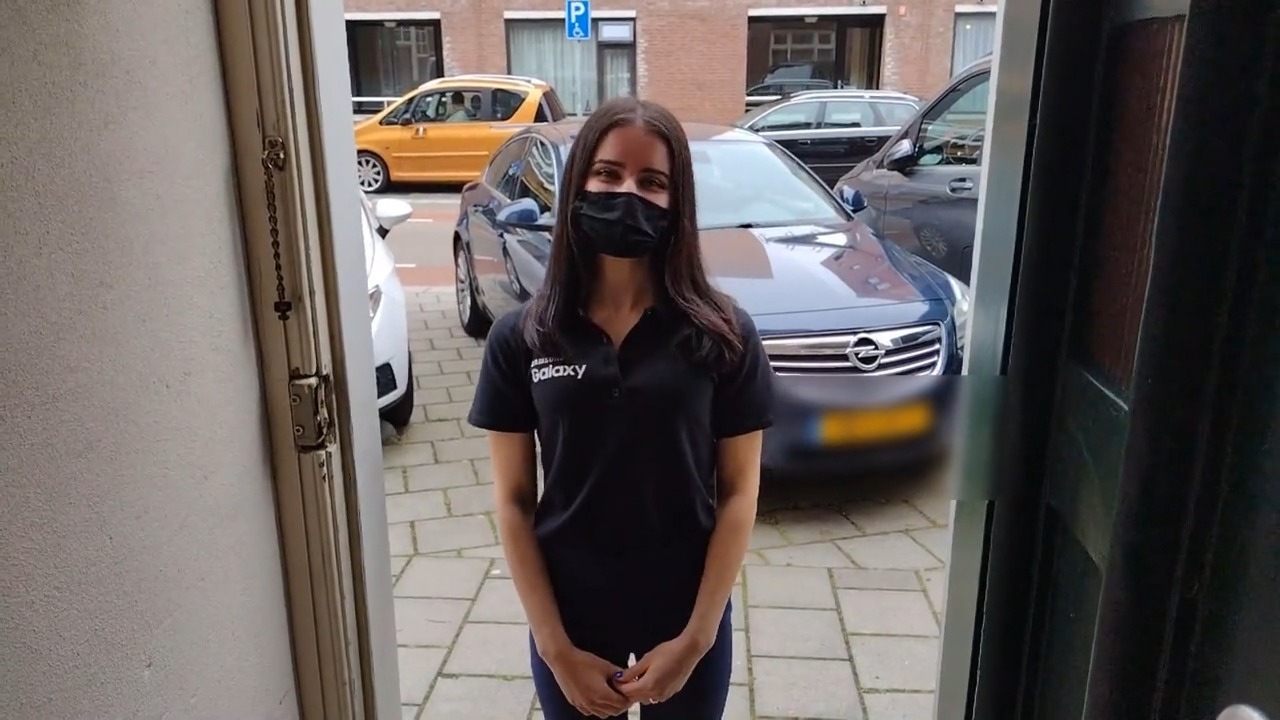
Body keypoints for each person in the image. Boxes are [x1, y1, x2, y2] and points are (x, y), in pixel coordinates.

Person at [468, 96, 773, 719]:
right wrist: (555, 649)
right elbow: (515, 501)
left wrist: (697, 639)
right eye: (608, 173)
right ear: (578, 184)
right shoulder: (522, 337)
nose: (627, 192)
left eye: (652, 181)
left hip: (687, 609)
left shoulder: (724, 334)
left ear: (677, 202)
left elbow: (740, 493)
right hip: (570, 613)